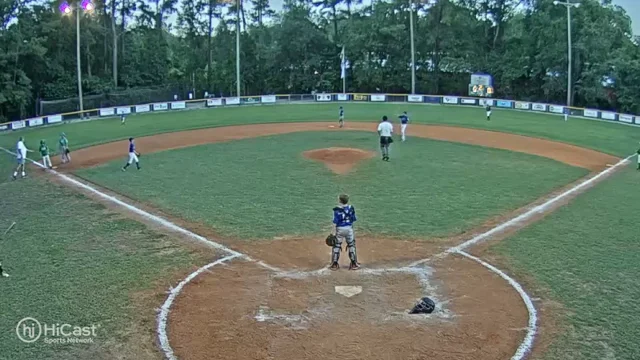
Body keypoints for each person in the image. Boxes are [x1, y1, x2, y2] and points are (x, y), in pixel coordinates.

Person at [329, 194, 359, 270]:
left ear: (340, 200)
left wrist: (332, 233)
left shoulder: (336, 210)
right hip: (349, 228)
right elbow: (353, 219)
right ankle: (354, 263)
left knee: (337, 245)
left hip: (340, 229)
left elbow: (335, 222)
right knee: (351, 245)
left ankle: (334, 264)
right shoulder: (351, 208)